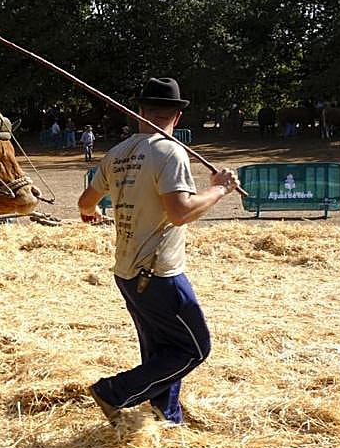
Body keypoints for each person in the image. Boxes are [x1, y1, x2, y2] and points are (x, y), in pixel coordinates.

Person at [78, 77, 240, 426]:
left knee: (161, 349)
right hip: (158, 274)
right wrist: (220, 189)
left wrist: (90, 211)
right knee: (193, 348)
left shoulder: (117, 154)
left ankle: (166, 414)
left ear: (139, 111)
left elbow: (85, 202)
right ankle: (113, 392)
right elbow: (181, 212)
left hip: (126, 271)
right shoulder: (170, 152)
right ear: (178, 117)